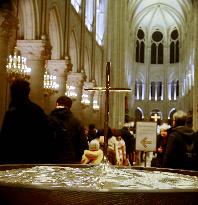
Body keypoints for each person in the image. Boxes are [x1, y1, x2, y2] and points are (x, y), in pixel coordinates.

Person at [0, 79, 53, 164]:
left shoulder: (12, 113)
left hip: (13, 158)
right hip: (34, 158)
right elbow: (46, 137)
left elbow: (5, 138)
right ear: (28, 93)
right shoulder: (37, 110)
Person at [49, 95, 88, 163]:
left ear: (57, 104)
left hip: (49, 160)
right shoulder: (76, 122)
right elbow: (83, 144)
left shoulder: (47, 119)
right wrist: (77, 159)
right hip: (69, 160)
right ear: (70, 107)